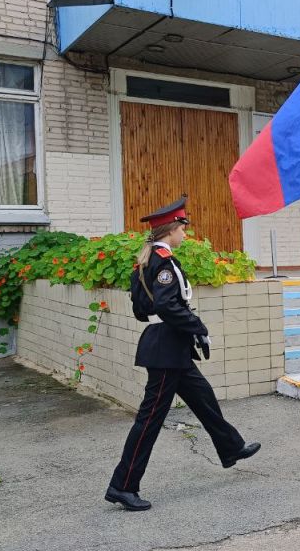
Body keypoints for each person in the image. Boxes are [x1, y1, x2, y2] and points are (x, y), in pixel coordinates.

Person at [106, 197, 261, 512]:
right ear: (172, 229)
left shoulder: (146, 261)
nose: (185, 234)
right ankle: (122, 486)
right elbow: (167, 304)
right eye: (182, 228)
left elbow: (141, 308)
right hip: (166, 348)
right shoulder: (164, 261)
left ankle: (231, 448)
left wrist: (185, 329)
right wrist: (197, 327)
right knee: (149, 420)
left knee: (203, 397)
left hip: (168, 344)